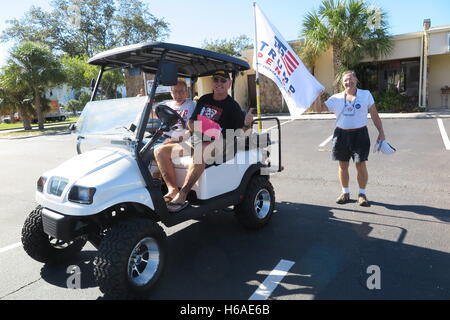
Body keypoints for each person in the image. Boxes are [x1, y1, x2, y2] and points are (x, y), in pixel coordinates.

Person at [154, 70, 254, 212]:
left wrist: (247, 123)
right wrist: (184, 134)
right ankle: (173, 190)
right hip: (196, 138)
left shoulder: (232, 106)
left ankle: (183, 195)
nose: (218, 83)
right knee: (160, 151)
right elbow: (191, 122)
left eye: (222, 80)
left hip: (221, 142)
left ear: (229, 83)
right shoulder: (204, 99)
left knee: (201, 151)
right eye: (216, 80)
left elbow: (241, 132)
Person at [315, 70, 386, 207]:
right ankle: (345, 193)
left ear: (356, 80)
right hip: (341, 135)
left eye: (351, 79)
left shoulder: (366, 95)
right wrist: (317, 97)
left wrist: (381, 132)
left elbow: (375, 115)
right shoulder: (336, 98)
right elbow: (319, 109)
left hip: (360, 134)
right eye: (345, 80)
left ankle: (362, 194)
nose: (348, 82)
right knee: (343, 165)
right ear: (342, 83)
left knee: (360, 165)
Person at [147, 80, 195, 159]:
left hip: (182, 138)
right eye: (175, 91)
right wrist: (147, 108)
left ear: (186, 92)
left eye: (181, 91)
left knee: (155, 152)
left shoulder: (192, 105)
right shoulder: (168, 105)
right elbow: (156, 115)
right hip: (164, 136)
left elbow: (193, 127)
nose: (178, 95)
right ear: (171, 93)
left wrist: (175, 140)